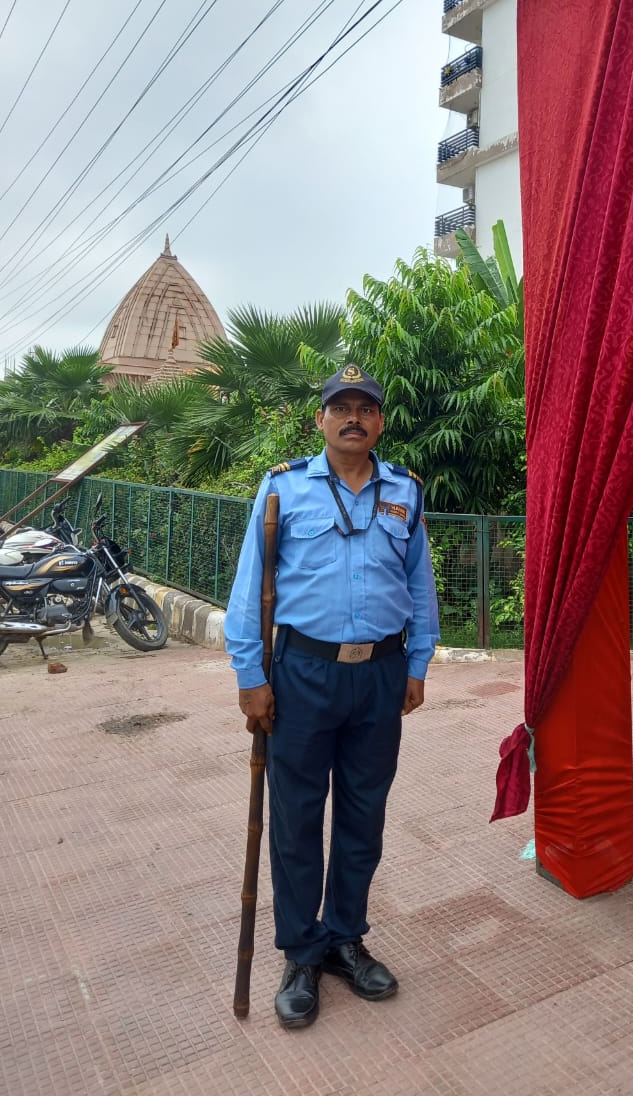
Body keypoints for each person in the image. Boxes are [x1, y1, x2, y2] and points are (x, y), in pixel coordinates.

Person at [225, 364, 440, 1028]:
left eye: (366, 408)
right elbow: (248, 589)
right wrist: (252, 677)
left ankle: (345, 937)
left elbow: (420, 583)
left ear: (379, 421)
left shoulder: (405, 490)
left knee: (362, 815)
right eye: (340, 407)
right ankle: (301, 951)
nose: (354, 417)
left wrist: (418, 661)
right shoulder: (282, 489)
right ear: (320, 420)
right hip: (301, 674)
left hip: (380, 672)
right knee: (294, 820)